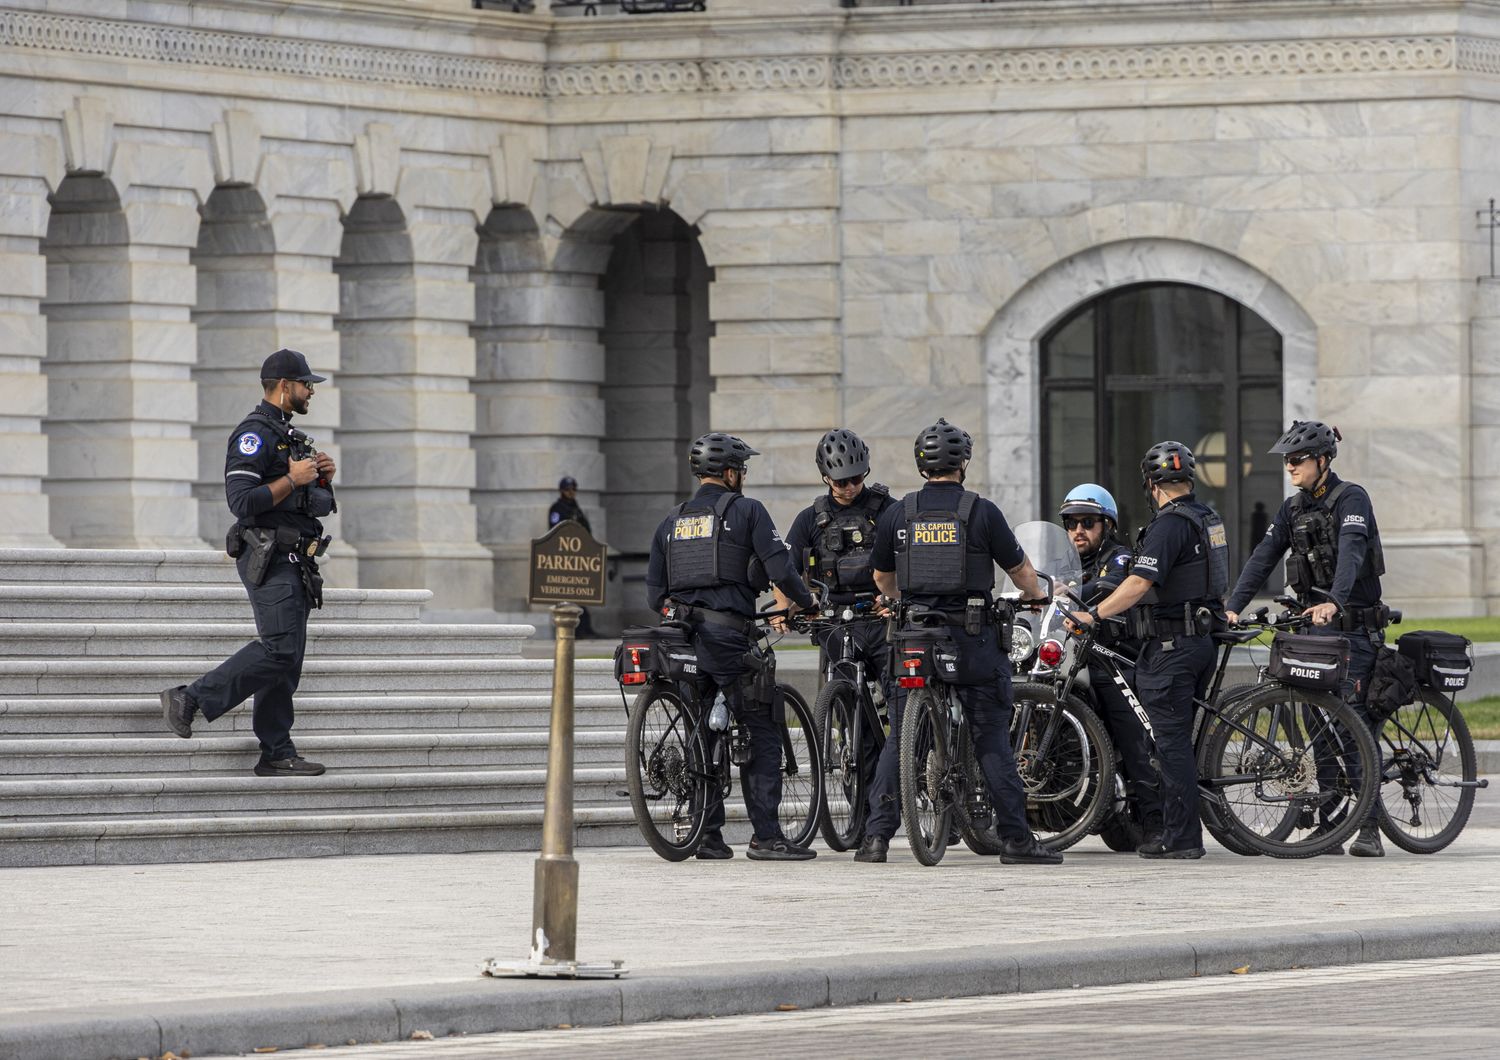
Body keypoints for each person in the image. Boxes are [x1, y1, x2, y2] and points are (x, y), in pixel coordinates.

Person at [856, 418, 1060, 866]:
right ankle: (1016, 842)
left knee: (899, 740)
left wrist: (900, 601)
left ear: (921, 464)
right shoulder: (980, 511)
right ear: (963, 463)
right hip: (971, 639)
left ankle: (874, 841)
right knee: (990, 740)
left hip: (913, 636)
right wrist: (1035, 597)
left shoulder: (899, 512)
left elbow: (881, 577)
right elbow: (1021, 572)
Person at [159, 348, 337, 777]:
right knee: (278, 650)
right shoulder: (253, 435)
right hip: (268, 556)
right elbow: (241, 502)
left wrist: (323, 479)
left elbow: (318, 505)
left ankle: (276, 751)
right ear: (282, 386)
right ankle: (191, 698)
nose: (311, 390)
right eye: (305, 383)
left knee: (287, 660)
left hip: (296, 561)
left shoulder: (292, 438)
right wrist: (290, 479)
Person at [645, 432, 818, 861]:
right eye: (741, 469)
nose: (742, 476)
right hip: (727, 635)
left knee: (700, 728)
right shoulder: (748, 511)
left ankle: (708, 835)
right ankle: (767, 837)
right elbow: (781, 568)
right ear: (728, 473)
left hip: (680, 639)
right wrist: (808, 602)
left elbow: (654, 594)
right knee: (761, 729)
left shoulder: (672, 520)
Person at [1224, 420, 1389, 857]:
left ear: (1322, 459)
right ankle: (1332, 821)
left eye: (1297, 460)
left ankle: (1369, 826)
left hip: (1353, 628)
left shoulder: (1351, 498)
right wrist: (1232, 605)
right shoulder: (1292, 509)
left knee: (1354, 722)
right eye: (1287, 461)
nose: (1290, 467)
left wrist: (1335, 600)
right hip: (1314, 630)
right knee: (1316, 723)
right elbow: (1262, 558)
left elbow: (1352, 553)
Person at [1070, 441, 1227, 859]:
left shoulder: (1169, 524)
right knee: (1173, 740)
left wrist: (1094, 615)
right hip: (1201, 639)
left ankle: (1182, 839)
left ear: (1152, 485)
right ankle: (1174, 829)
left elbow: (1139, 583)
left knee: (1168, 742)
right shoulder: (1207, 517)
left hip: (1174, 644)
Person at [777, 428, 897, 820]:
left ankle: (918, 774)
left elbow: (910, 561)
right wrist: (786, 609)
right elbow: (785, 571)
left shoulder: (886, 509)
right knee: (853, 722)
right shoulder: (810, 519)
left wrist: (894, 600)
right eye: (841, 481)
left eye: (856, 479)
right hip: (833, 622)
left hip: (880, 619)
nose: (849, 487)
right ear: (825, 477)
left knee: (903, 706)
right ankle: (861, 816)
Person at [1059, 483, 1164, 848]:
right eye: (1071, 523)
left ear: (1107, 525)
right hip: (1074, 658)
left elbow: (1111, 583)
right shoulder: (1065, 563)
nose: (1078, 531)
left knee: (1131, 739)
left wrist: (1067, 590)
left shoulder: (1118, 556)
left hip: (1112, 659)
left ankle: (1155, 823)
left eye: (1088, 522)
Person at [546, 475, 596, 637]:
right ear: (562, 491)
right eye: (568, 489)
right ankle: (570, 630)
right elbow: (556, 531)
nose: (571, 492)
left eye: (574, 489)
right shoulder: (557, 509)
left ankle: (583, 628)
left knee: (580, 591)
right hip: (564, 557)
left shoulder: (576, 508)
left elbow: (586, 530)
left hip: (578, 556)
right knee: (566, 593)